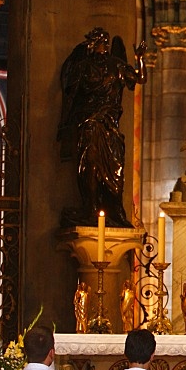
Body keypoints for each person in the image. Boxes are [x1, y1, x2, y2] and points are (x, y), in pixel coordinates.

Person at [58, 27, 146, 227]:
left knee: (116, 169)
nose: (99, 46)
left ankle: (114, 211)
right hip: (88, 124)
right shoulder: (83, 66)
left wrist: (139, 58)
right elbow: (70, 94)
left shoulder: (117, 65)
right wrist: (64, 125)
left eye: (101, 42)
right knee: (88, 166)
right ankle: (90, 208)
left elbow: (140, 79)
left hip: (109, 126)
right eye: (96, 42)